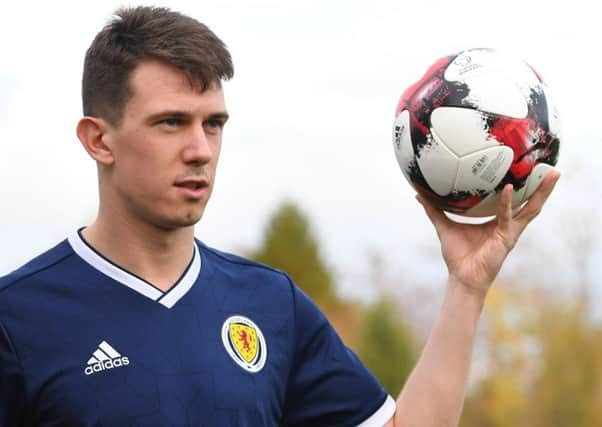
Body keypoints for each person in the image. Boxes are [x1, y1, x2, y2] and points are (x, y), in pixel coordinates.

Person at [0, 6, 559, 427]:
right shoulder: (18, 318)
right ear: (99, 140)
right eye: (171, 122)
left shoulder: (271, 306)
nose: (200, 149)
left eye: (213, 124)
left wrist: (467, 286)